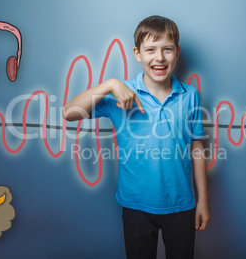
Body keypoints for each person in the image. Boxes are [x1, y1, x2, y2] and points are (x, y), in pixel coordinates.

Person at [62, 15, 211, 259]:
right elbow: (68, 113)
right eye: (150, 49)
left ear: (177, 52)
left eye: (167, 50)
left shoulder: (190, 95)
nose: (159, 57)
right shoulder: (121, 95)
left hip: (181, 205)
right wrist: (110, 84)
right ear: (138, 53)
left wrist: (203, 200)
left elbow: (197, 147)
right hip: (135, 207)